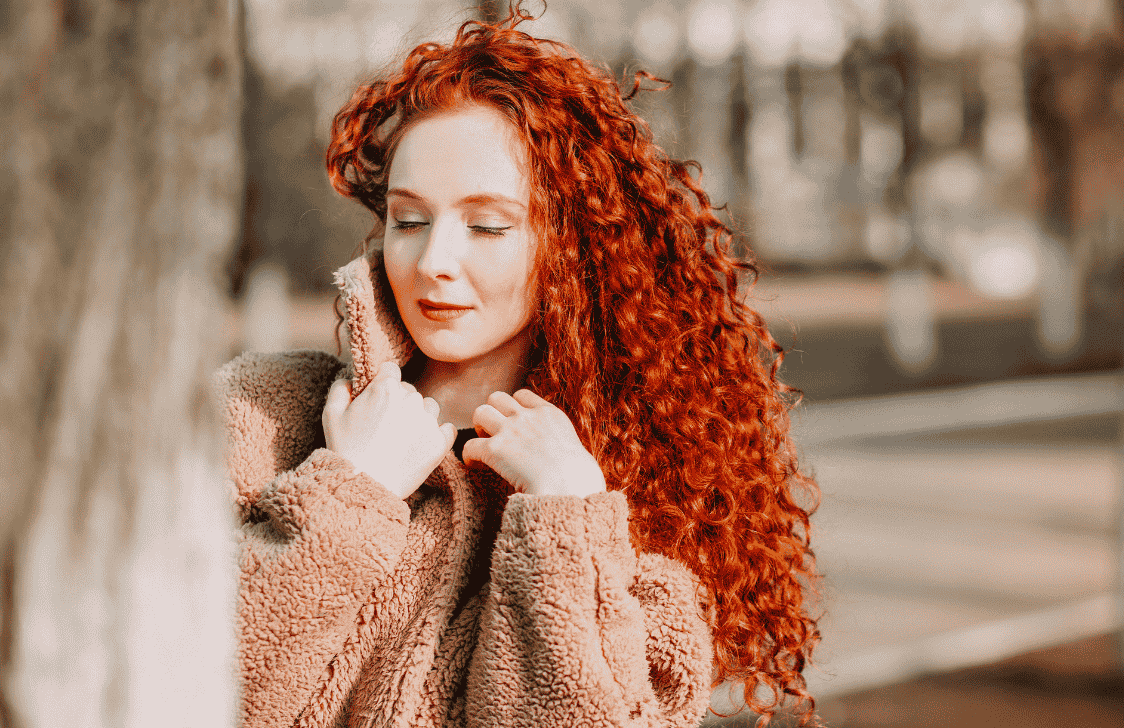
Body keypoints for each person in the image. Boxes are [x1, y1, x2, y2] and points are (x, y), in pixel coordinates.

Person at [217, 8, 820, 728]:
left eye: (487, 225)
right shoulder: (262, 415)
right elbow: (157, 684)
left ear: (569, 247)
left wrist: (563, 524)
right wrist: (350, 497)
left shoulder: (636, 515)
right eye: (410, 220)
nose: (434, 261)